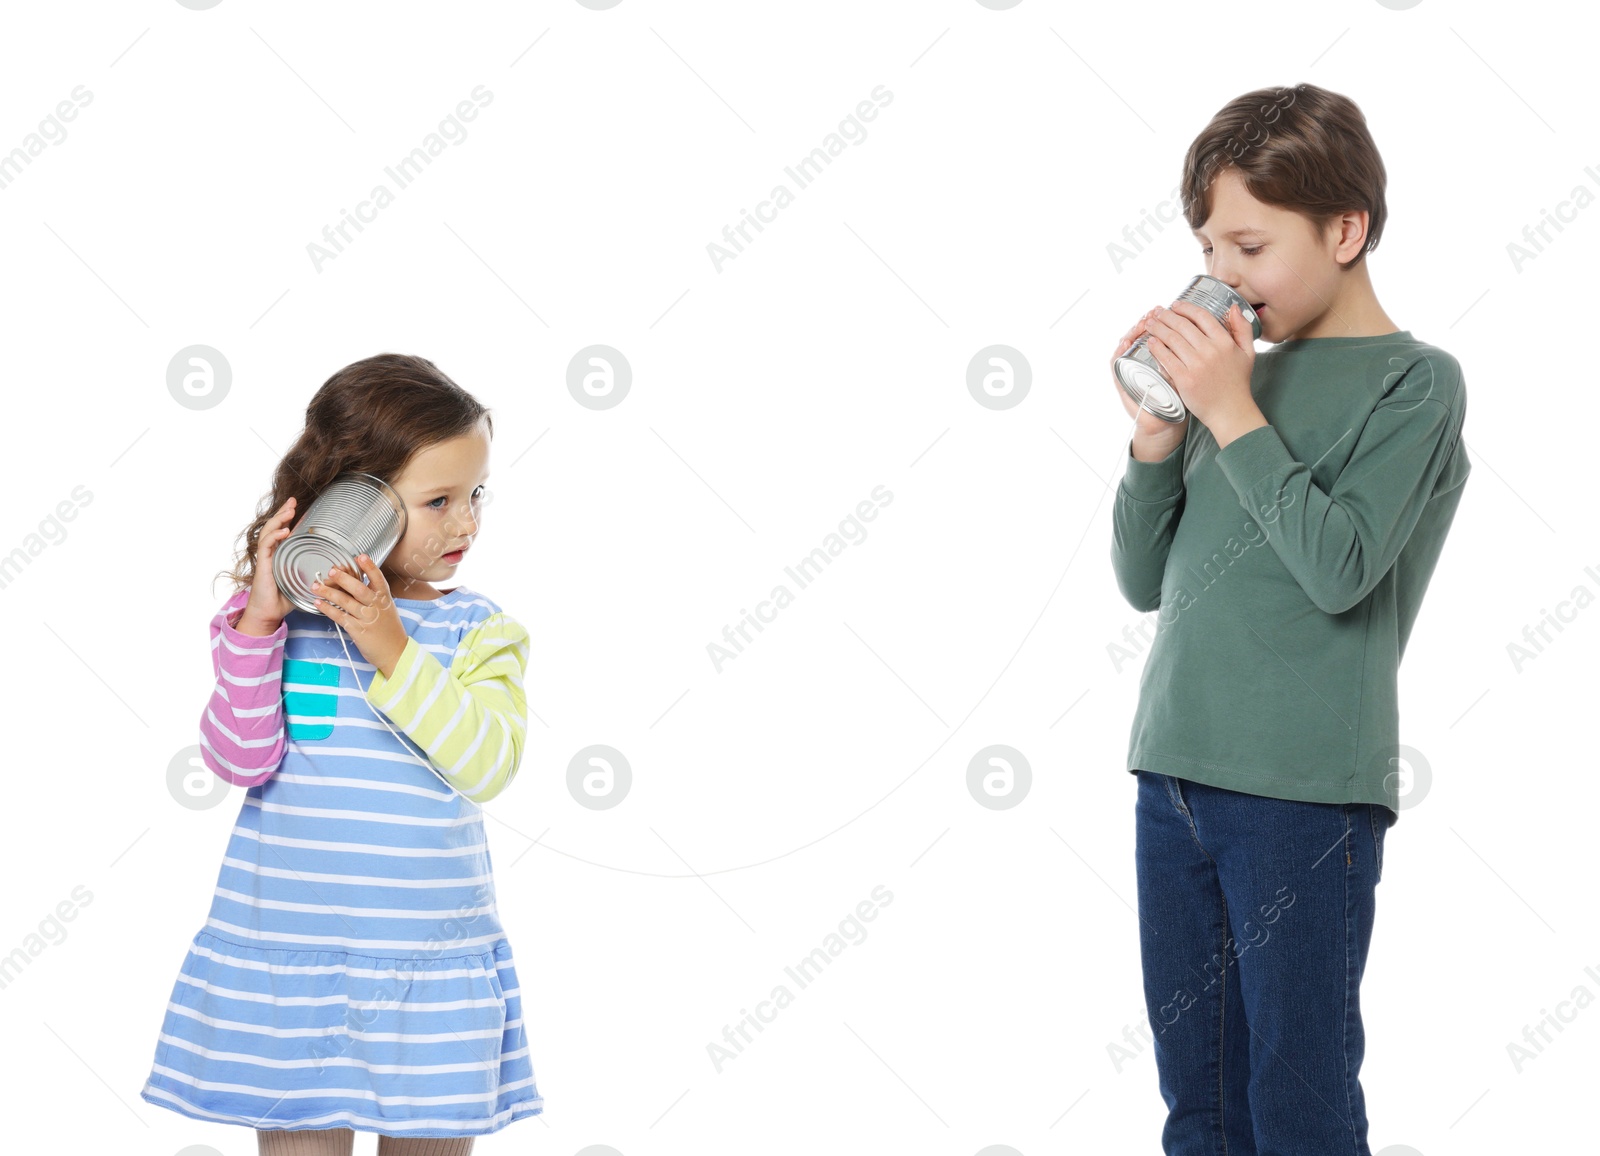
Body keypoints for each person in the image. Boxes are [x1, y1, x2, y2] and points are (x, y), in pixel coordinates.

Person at [1108, 83, 1471, 1154]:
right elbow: (1141, 578)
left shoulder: (1414, 383)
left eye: (1250, 246)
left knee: (1297, 1100)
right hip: (1172, 771)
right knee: (1201, 1103)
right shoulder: (1239, 378)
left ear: (1345, 229)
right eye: (1210, 249)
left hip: (1302, 797)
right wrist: (1158, 435)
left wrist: (1230, 409)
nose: (1223, 276)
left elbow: (1342, 568)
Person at [139, 354, 543, 1154]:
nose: (466, 524)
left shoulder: (478, 630)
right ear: (355, 503)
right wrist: (257, 623)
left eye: (475, 496)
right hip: (297, 960)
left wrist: (393, 645)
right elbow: (238, 758)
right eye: (438, 502)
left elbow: (487, 760)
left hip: (424, 966)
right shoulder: (283, 625)